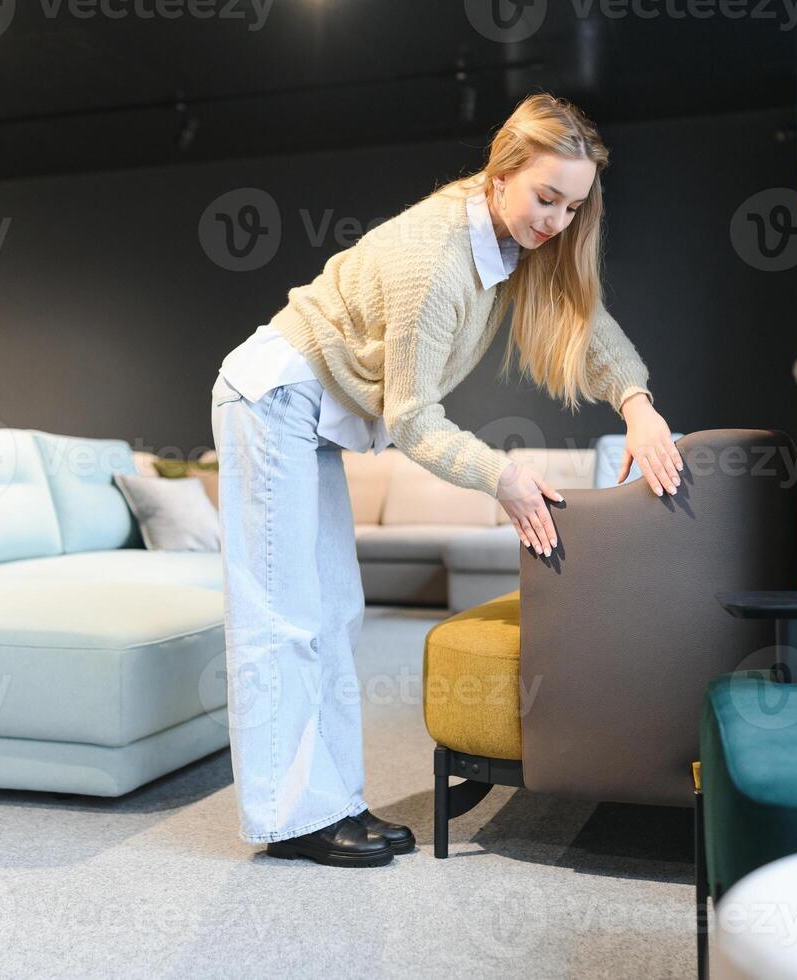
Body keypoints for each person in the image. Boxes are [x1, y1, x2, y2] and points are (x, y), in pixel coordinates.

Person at [208, 92, 683, 868]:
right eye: (545, 198)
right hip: (273, 398)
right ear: (499, 175)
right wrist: (503, 478)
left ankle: (328, 802)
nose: (556, 222)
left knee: (332, 613)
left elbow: (586, 325)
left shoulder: (516, 243)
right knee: (282, 620)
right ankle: (290, 818)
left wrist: (636, 404)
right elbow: (413, 421)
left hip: (314, 412)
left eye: (572, 206)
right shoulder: (434, 260)